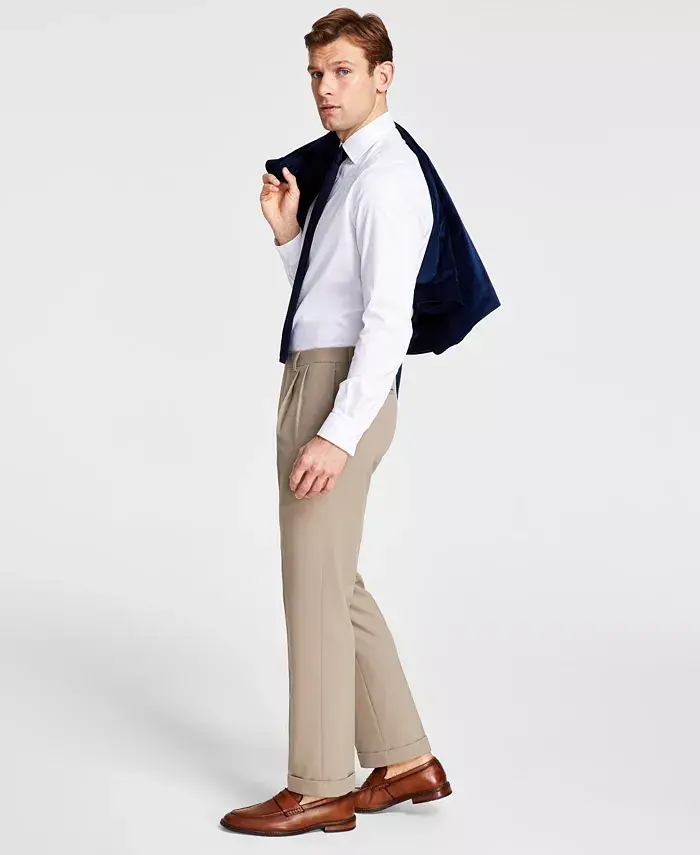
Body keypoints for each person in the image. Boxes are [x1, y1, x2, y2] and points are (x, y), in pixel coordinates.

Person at [220, 8, 452, 836]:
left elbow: (387, 321)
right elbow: (331, 299)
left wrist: (337, 430)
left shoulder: (388, 178)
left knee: (312, 589)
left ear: (383, 77)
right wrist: (290, 239)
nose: (325, 87)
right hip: (322, 374)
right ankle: (404, 756)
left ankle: (319, 784)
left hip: (340, 387)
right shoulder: (354, 171)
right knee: (332, 579)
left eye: (343, 71)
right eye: (317, 73)